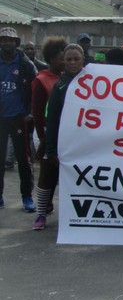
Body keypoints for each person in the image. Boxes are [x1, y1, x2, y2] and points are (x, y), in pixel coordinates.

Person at [31, 37, 67, 229]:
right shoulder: (41, 80)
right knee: (46, 172)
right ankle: (40, 214)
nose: (67, 62)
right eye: (63, 58)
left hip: (66, 133)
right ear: (52, 58)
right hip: (46, 132)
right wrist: (44, 141)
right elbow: (37, 114)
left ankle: (49, 207)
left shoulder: (68, 79)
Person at [0, 27, 36, 211]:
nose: (6, 43)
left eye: (10, 40)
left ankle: (27, 197)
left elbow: (35, 87)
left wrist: (29, 112)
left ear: (16, 43)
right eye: (3, 39)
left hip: (18, 117)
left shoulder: (24, 64)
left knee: (23, 159)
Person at [44, 44, 85, 172]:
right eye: (68, 59)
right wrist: (51, 151)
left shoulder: (95, 84)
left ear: (83, 59)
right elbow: (52, 119)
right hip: (65, 145)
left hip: (85, 146)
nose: (72, 62)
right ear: (64, 61)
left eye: (76, 59)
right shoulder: (59, 87)